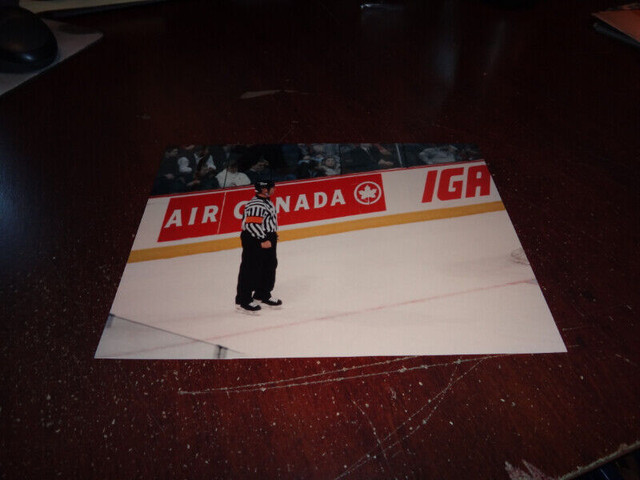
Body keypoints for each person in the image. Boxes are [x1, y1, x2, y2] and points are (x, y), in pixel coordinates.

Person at [235, 180, 283, 314]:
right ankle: (243, 300)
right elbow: (251, 225)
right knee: (250, 269)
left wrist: (271, 234)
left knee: (269, 265)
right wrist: (263, 238)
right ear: (264, 190)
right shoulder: (256, 204)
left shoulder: (266, 201)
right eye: (271, 188)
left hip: (266, 236)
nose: (274, 190)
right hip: (255, 238)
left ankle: (262, 293)